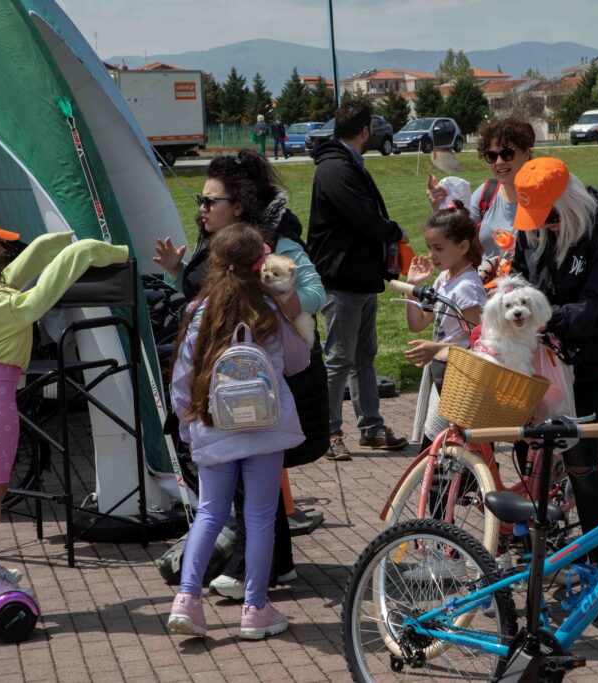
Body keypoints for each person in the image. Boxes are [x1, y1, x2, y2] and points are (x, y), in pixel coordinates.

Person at [0, 208, 128, 611]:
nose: (3, 247)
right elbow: (33, 301)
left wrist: (46, 246)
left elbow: (10, 281)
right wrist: (90, 251)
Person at [152, 150, 328, 599]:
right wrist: (177, 271)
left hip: (266, 380)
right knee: (253, 486)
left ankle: (250, 576)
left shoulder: (277, 246)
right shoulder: (219, 246)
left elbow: (314, 293)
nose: (202, 209)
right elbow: (204, 299)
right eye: (201, 199)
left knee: (251, 487)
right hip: (228, 384)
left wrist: (272, 301)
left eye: (211, 201)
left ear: (240, 206)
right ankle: (268, 569)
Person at [167, 223, 311, 640]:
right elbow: (298, 360)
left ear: (214, 260)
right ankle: (255, 608)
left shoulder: (200, 310)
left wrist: (187, 425)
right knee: (261, 516)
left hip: (214, 426)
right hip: (265, 427)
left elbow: (182, 378)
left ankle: (187, 600)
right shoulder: (268, 309)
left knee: (209, 513)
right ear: (259, 263)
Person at [510, 157, 598, 580]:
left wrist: (540, 315)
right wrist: (511, 296)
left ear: (573, 204)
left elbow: (594, 307)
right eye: (538, 222)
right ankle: (531, 554)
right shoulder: (533, 228)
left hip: (581, 362)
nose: (546, 228)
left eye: (554, 220)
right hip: (534, 356)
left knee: (581, 463)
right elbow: (518, 272)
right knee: (527, 453)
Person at [308, 101, 408, 460]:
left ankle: (371, 427)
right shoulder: (336, 168)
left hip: (360, 279)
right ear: (365, 131)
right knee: (338, 359)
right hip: (342, 280)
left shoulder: (344, 164)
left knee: (364, 357)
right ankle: (331, 433)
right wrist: (395, 232)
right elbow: (364, 218)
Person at [403, 202, 487, 453]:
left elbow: (478, 343)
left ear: (463, 247)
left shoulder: (467, 288)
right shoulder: (444, 278)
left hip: (462, 376)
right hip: (444, 371)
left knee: (441, 448)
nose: (431, 255)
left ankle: (446, 492)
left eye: (438, 248)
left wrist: (436, 348)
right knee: (439, 447)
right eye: (429, 247)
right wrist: (412, 287)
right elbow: (417, 324)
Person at [427, 116, 534, 262]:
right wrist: (439, 209)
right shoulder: (486, 194)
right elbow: (455, 239)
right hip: (488, 282)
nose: (499, 162)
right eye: (491, 156)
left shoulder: (547, 195)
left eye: (507, 154)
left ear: (527, 153)